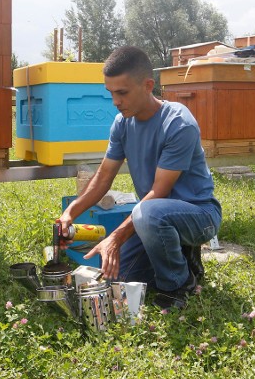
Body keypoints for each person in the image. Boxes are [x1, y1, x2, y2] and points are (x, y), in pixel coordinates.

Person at [57, 46, 222, 309]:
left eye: (122, 92)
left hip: (198, 215)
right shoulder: (122, 124)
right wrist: (69, 214)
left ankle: (179, 283)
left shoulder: (178, 123)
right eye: (110, 93)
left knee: (147, 212)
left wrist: (115, 237)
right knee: (119, 279)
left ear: (148, 85)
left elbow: (159, 193)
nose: (115, 101)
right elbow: (103, 176)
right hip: (151, 217)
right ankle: (180, 256)